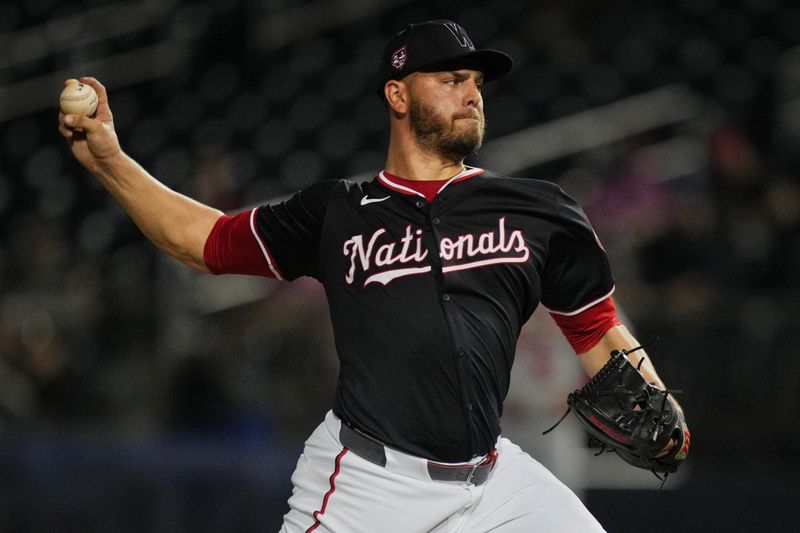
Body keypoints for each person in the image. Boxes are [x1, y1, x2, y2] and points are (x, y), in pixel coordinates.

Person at [59, 19, 687, 533]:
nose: (472, 92)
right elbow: (203, 242)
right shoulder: (336, 212)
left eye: (476, 81)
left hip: (495, 481)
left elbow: (599, 330)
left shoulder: (538, 209)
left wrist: (664, 408)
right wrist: (112, 160)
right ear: (397, 94)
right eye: (450, 78)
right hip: (369, 486)